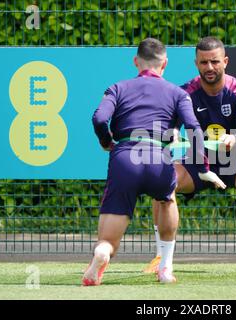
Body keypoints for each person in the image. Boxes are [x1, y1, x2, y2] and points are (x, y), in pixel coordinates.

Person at [83, 38, 226, 286]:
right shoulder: (178, 93)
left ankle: (103, 252)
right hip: (159, 157)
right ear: (165, 64)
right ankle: (165, 268)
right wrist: (203, 169)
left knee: (107, 238)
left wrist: (106, 141)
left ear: (136, 62)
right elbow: (193, 128)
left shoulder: (118, 88)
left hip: (125, 157)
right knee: (167, 199)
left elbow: (99, 118)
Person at [144, 36, 236, 275]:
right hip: (197, 160)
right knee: (162, 180)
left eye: (214, 62)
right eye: (204, 63)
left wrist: (233, 139)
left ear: (225, 61)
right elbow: (170, 126)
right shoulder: (184, 93)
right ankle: (161, 257)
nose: (209, 68)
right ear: (196, 63)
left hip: (235, 158)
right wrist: (171, 133)